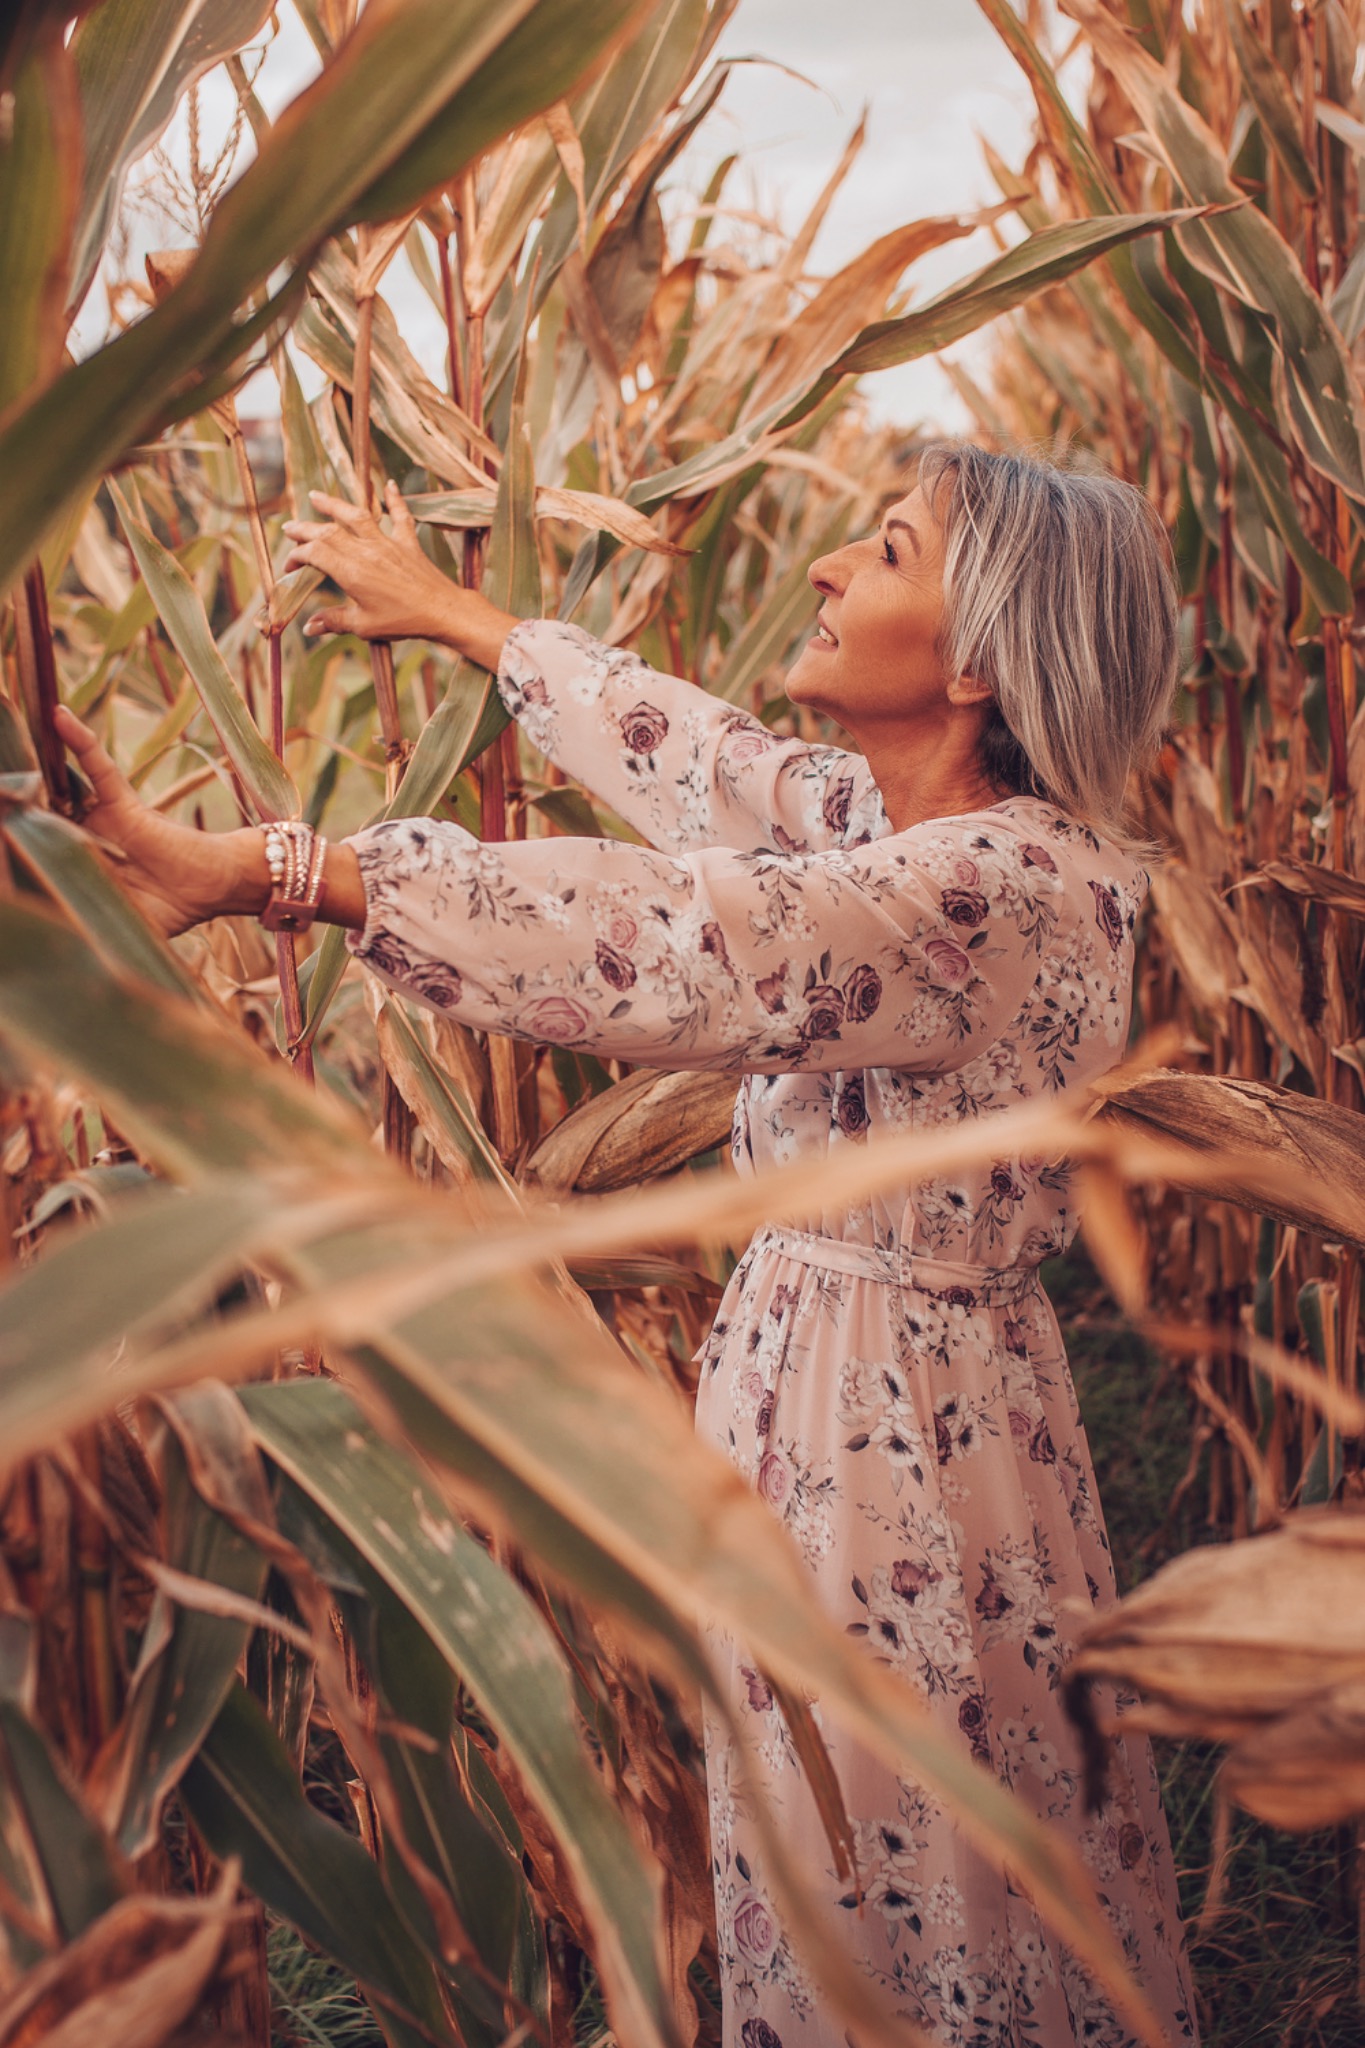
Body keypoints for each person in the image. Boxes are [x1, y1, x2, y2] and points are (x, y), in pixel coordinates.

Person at [56, 442, 1198, 2048]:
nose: (821, 570)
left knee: (881, 1842)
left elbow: (665, 942)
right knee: (925, 1823)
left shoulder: (980, 890)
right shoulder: (923, 827)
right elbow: (719, 769)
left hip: (888, 1454)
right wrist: (468, 620)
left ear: (976, 659)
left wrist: (265, 871)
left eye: (879, 550)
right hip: (896, 1395)